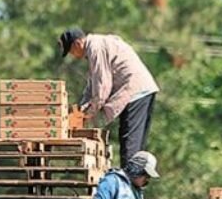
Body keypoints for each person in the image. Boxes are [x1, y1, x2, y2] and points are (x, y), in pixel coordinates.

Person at [59, 28, 159, 167]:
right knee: (136, 151)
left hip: (136, 92)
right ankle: (134, 186)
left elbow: (102, 88)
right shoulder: (98, 44)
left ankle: (127, 186)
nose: (73, 55)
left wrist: (87, 115)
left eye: (71, 51)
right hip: (144, 90)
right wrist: (80, 108)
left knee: (130, 149)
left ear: (77, 44)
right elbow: (92, 85)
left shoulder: (95, 48)